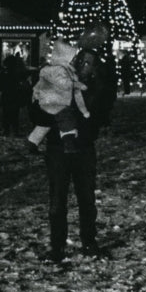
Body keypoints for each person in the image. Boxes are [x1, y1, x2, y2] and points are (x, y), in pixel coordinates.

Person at [40, 24, 116, 263]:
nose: (86, 67)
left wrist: (98, 87)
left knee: (86, 198)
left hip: (83, 147)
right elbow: (39, 112)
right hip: (57, 148)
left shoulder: (94, 87)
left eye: (91, 65)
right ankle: (57, 245)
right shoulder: (55, 81)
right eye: (84, 63)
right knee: (57, 199)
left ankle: (89, 241)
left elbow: (101, 111)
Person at [26, 39, 90, 154]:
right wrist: (77, 84)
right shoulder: (58, 70)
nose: (74, 60)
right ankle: (69, 145)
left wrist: (83, 109)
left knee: (44, 125)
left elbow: (75, 94)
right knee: (67, 123)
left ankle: (32, 144)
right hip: (57, 102)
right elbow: (63, 84)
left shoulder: (59, 70)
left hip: (47, 102)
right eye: (73, 58)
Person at [0, 54, 30, 136]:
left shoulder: (4, 72)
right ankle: (15, 130)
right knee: (15, 114)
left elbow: (0, 84)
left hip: (6, 95)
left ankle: (6, 130)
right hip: (15, 95)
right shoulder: (17, 72)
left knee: (6, 114)